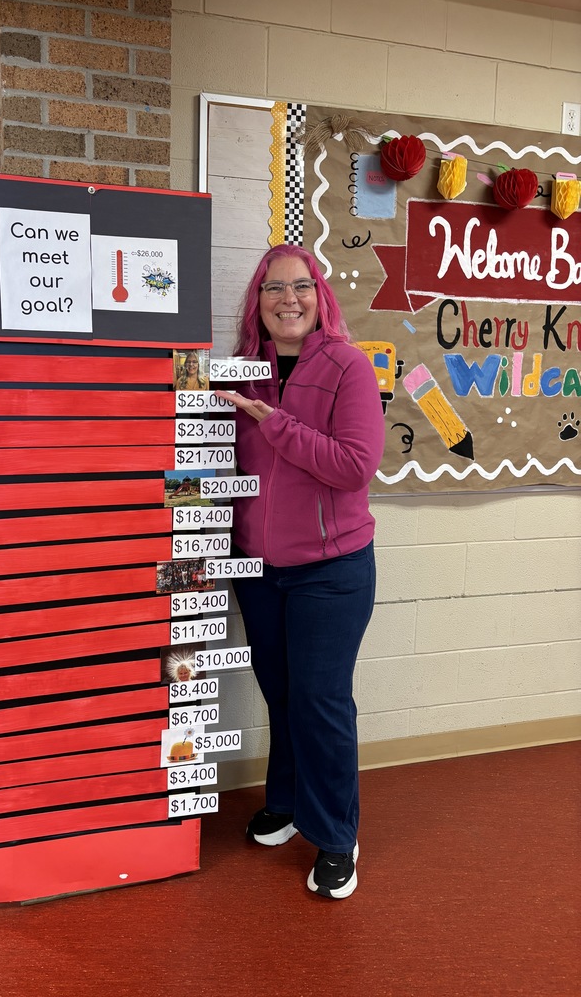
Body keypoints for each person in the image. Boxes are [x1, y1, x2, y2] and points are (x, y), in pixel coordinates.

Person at [216, 243, 384, 900]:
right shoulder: (240, 370)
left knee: (320, 701)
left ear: (321, 296)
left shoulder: (348, 366)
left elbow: (353, 466)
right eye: (273, 288)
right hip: (258, 568)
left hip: (332, 569)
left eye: (302, 286)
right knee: (281, 693)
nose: (289, 299)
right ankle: (285, 804)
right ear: (257, 301)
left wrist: (276, 423)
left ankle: (337, 835)